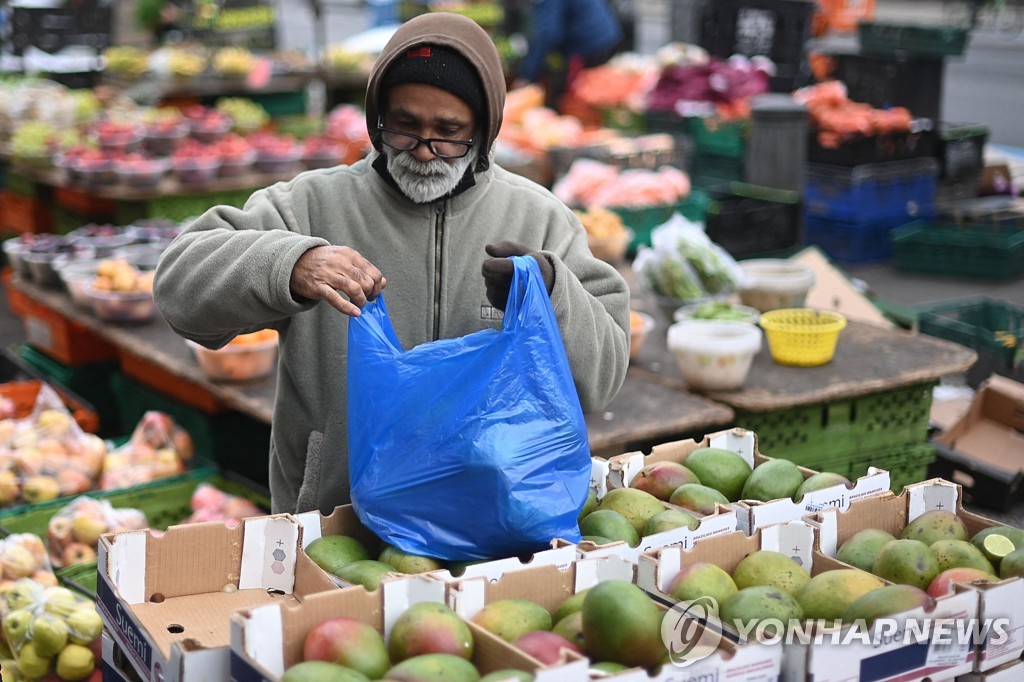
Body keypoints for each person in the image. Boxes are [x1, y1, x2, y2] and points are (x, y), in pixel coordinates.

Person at [153, 12, 631, 516]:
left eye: (449, 133)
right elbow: (178, 289)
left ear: (484, 132)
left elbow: (599, 383)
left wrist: (549, 293)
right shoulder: (310, 205)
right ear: (376, 118)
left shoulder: (540, 219)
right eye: (404, 126)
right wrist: (290, 264)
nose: (424, 152)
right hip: (334, 526)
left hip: (490, 525)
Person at [515, 0, 625, 109]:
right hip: (608, 37)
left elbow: (548, 35)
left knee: (566, 98)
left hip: (589, 47)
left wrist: (527, 76)